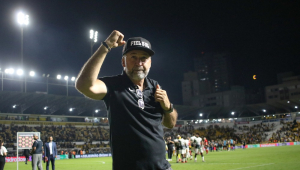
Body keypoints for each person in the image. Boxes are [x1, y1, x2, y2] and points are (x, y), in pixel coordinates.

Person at [76, 30, 177, 170]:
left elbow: (170, 124)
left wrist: (168, 107)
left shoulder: (155, 86)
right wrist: (106, 46)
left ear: (150, 62)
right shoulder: (114, 85)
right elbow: (84, 85)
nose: (139, 62)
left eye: (144, 58)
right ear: (123, 61)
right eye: (133, 57)